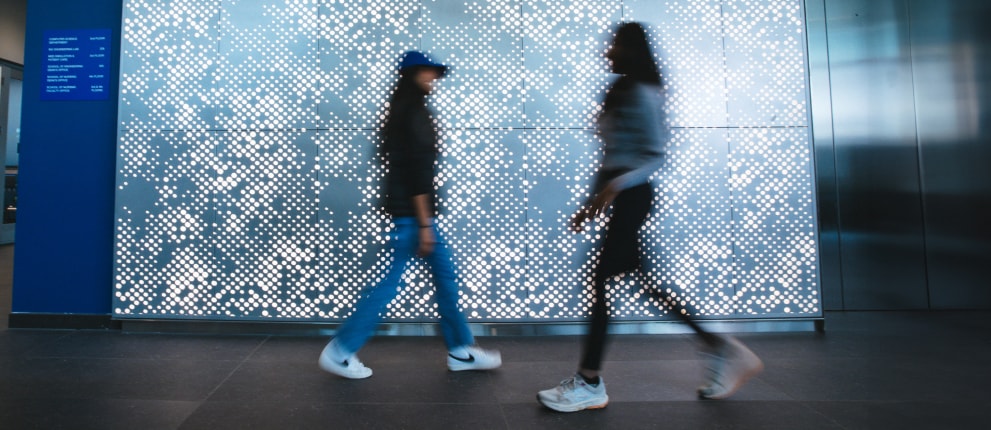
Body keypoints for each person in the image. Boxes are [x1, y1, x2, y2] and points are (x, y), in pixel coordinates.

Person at [536, 22, 763, 412]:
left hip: (634, 197)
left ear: (630, 49)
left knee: (603, 282)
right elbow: (611, 156)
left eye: (614, 45)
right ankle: (719, 347)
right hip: (619, 198)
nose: (607, 51)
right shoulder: (619, 90)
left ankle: (590, 381)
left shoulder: (644, 92)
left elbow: (656, 155)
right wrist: (594, 201)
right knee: (639, 282)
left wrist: (614, 188)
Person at [319, 51, 501, 379]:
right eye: (428, 73)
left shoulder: (404, 110)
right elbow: (419, 173)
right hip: (415, 218)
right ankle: (341, 351)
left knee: (444, 281)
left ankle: (460, 351)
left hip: (412, 216)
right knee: (390, 285)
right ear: (412, 75)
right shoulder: (414, 112)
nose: (434, 78)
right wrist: (425, 224)